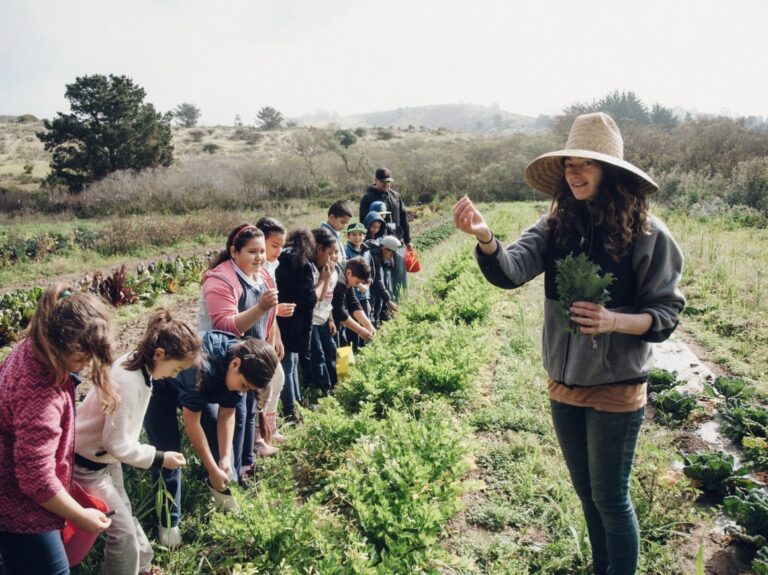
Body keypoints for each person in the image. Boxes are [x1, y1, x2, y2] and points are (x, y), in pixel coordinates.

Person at [453, 112, 685, 575]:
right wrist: (485, 238)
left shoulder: (648, 235)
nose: (574, 173)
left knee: (612, 499)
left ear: (611, 172)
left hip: (616, 386)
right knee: (587, 494)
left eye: (587, 164)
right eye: (569, 164)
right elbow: (511, 270)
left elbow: (666, 314)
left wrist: (613, 320)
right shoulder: (556, 226)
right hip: (564, 384)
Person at [0, 285, 118, 575]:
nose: (86, 365)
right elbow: (36, 479)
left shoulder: (33, 346)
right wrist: (81, 517)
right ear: (58, 345)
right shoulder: (41, 391)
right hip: (21, 512)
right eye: (80, 359)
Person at [73, 309, 200, 574]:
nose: (175, 376)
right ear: (159, 355)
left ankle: (142, 565)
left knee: (125, 513)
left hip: (104, 461)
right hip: (87, 465)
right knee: (121, 532)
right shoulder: (130, 381)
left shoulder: (138, 364)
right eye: (176, 369)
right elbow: (115, 443)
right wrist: (160, 457)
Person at [144, 332, 278, 548]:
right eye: (244, 386)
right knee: (168, 454)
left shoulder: (243, 364)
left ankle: (223, 497)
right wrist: (211, 467)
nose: (243, 391)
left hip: (202, 388)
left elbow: (226, 414)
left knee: (220, 449)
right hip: (161, 389)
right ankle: (168, 522)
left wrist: (224, 459)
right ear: (235, 364)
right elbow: (192, 424)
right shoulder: (199, 368)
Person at [198, 224, 280, 464]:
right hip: (221, 357)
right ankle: (232, 467)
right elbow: (224, 326)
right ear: (234, 252)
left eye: (262, 251)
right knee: (236, 413)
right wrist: (260, 307)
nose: (260, 257)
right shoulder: (221, 280)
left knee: (249, 408)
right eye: (252, 252)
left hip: (250, 352)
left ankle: (246, 463)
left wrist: (271, 342)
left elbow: (269, 316)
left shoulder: (262, 275)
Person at [274, 228, 334, 419]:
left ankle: (297, 404)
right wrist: (322, 281)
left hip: (283, 320)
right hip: (292, 322)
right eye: (329, 253)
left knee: (290, 363)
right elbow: (309, 300)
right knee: (288, 365)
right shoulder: (302, 264)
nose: (331, 257)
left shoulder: (285, 258)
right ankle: (292, 411)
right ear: (317, 249)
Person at [255, 216, 294, 447]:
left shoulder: (272, 266)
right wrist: (275, 309)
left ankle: (270, 429)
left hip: (269, 333)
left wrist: (277, 337)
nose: (278, 251)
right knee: (265, 385)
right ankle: (259, 437)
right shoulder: (257, 269)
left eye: (281, 246)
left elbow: (270, 308)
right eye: (274, 245)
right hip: (255, 337)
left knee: (277, 380)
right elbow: (260, 305)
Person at [359, 167, 412, 248]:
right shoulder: (368, 198)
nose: (386, 184)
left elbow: (403, 218)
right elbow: (364, 222)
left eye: (388, 181)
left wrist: (407, 240)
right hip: (378, 243)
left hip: (397, 240)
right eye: (383, 181)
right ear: (376, 180)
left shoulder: (396, 196)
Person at [331, 257, 376, 347]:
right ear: (349, 273)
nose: (356, 285)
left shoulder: (348, 273)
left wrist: (368, 325)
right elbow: (339, 312)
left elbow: (353, 302)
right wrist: (360, 330)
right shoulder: (339, 281)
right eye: (357, 282)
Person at [321, 199, 353, 267]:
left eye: (346, 223)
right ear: (331, 217)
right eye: (342, 222)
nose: (344, 226)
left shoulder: (335, 232)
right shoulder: (324, 235)